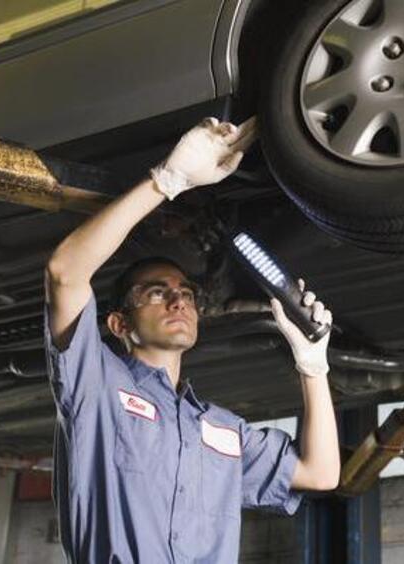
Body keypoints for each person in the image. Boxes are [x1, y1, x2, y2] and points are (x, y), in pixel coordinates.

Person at [43, 116, 341, 563]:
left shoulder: (220, 430)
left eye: (185, 293)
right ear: (119, 325)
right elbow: (65, 273)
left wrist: (313, 365)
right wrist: (168, 180)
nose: (178, 301)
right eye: (156, 293)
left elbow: (321, 473)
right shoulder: (98, 387)